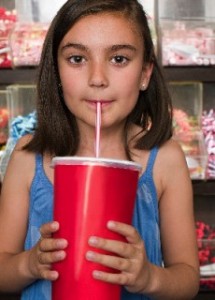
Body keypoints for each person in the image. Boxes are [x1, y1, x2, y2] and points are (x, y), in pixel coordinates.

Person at [0, 0, 200, 299]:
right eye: (77, 59)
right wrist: (30, 263)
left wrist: (148, 277)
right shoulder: (28, 155)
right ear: (55, 72)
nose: (97, 78)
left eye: (119, 59)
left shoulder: (166, 159)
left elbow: (187, 278)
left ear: (145, 73)